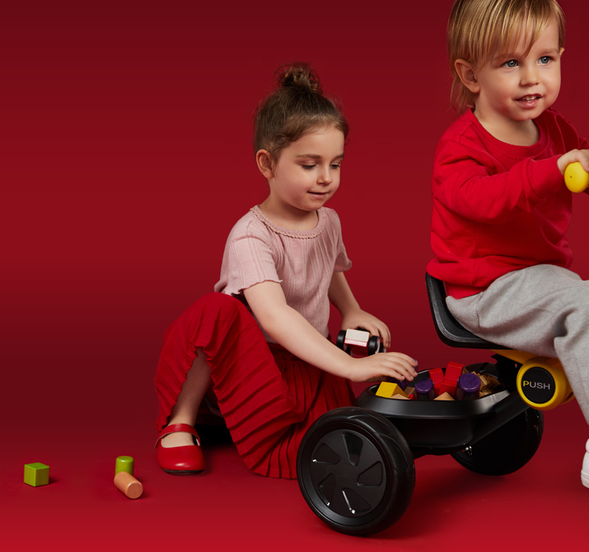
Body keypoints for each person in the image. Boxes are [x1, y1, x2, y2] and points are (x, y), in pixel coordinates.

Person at [154, 63, 418, 479]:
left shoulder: (328, 221)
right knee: (217, 311)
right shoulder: (250, 235)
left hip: (303, 360)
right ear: (267, 164)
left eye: (335, 164)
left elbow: (328, 268)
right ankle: (181, 422)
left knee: (337, 436)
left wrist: (351, 310)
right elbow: (275, 316)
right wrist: (349, 367)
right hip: (250, 362)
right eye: (309, 165)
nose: (326, 178)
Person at [427, 0, 589, 489]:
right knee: (587, 307)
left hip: (538, 279)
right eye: (510, 63)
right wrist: (553, 170)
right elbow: (483, 200)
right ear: (470, 74)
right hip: (484, 290)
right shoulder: (461, 147)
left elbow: (582, 160)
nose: (531, 78)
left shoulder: (554, 129)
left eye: (544, 59)